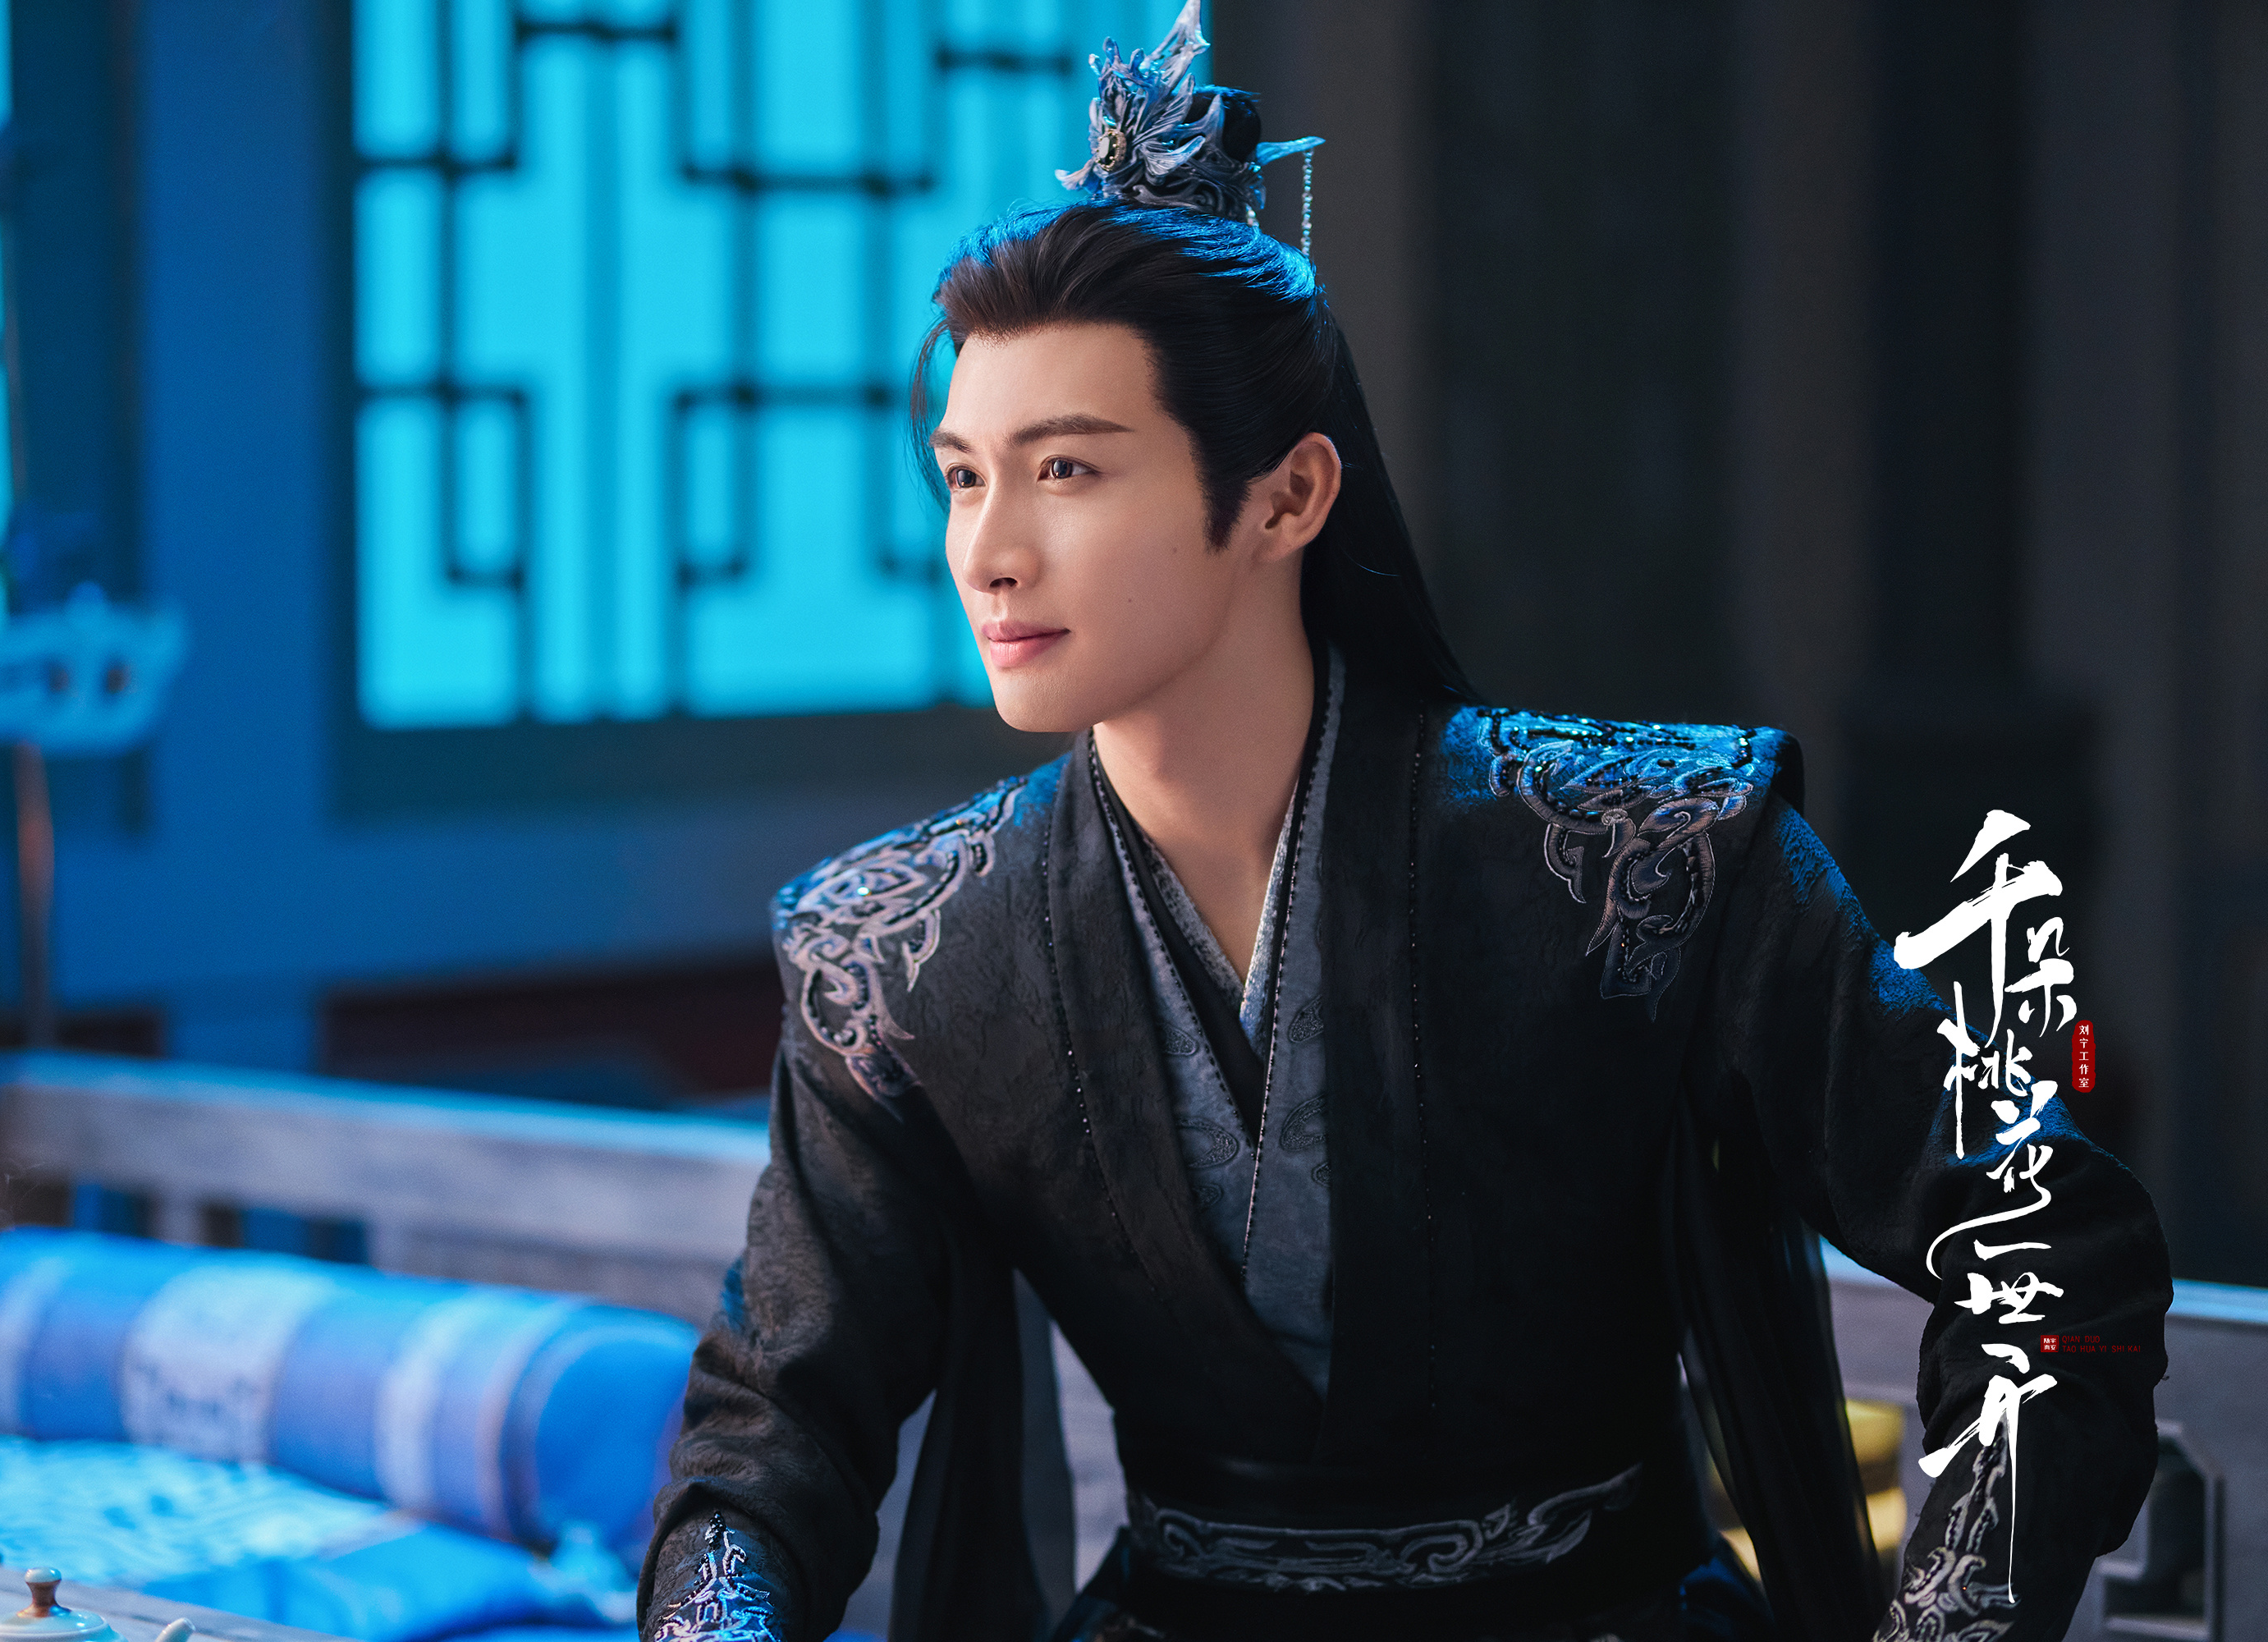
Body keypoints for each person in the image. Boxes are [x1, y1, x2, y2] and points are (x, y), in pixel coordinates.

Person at [639, 8, 2170, 1640]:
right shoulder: (898, 951)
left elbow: (2049, 1249)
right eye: (962, 476)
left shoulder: (1646, 855)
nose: (988, 552)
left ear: (1289, 496)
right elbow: (771, 1432)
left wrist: (1953, 1621)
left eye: (1067, 471)